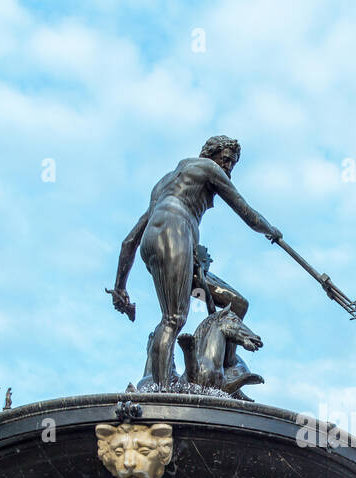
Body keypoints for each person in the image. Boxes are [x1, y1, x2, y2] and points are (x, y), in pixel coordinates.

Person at [110, 135, 281, 387]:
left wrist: (120, 287)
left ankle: (228, 368)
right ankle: (161, 392)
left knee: (236, 304)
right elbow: (247, 212)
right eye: (226, 160)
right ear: (210, 154)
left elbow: (130, 241)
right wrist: (271, 230)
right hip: (174, 232)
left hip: (161, 243)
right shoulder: (207, 167)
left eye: (232, 164)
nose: (228, 168)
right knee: (173, 318)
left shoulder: (161, 187)